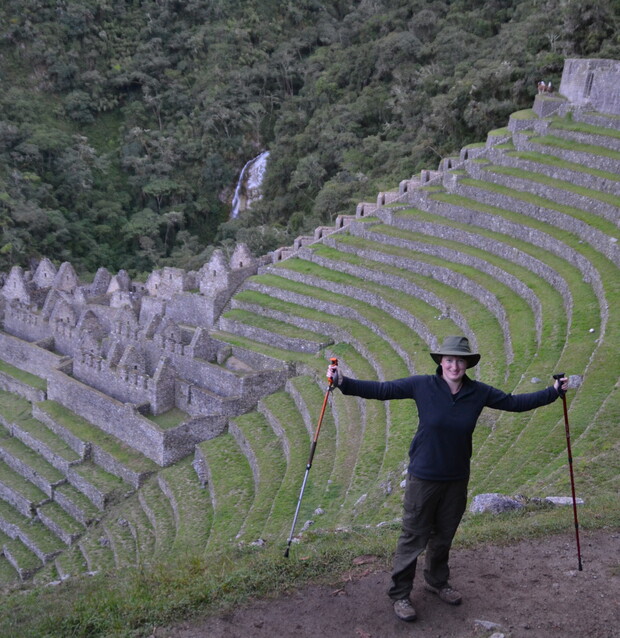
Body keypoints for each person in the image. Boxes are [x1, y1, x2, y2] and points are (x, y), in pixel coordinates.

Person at [326, 335, 568, 622]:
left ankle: (437, 581)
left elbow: (515, 403)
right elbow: (382, 390)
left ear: (467, 364)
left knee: (443, 535)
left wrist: (553, 392)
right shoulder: (422, 385)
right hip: (423, 477)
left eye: (460, 360)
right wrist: (342, 381)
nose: (454, 365)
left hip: (456, 477)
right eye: (449, 359)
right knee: (413, 536)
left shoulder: (478, 392)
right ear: (441, 361)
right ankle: (401, 594)